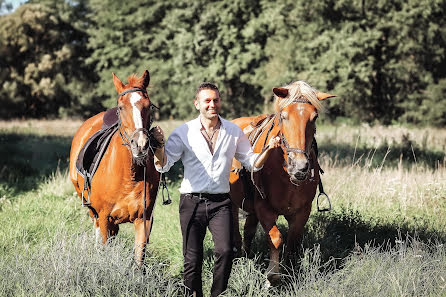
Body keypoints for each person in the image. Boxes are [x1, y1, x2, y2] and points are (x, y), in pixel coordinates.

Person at [152, 82, 280, 297]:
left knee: (226, 251)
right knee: (192, 258)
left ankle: (217, 294)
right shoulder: (184, 132)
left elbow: (252, 162)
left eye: (216, 100)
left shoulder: (233, 131)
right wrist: (158, 146)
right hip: (191, 202)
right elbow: (164, 164)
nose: (212, 104)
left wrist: (268, 149)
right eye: (207, 101)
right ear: (197, 104)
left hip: (221, 202)